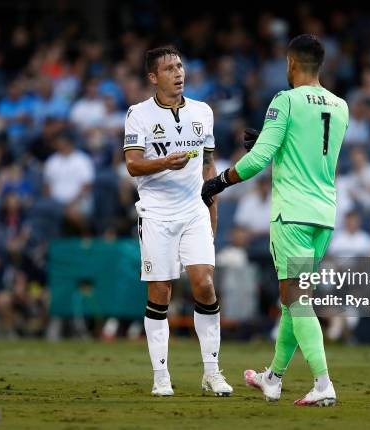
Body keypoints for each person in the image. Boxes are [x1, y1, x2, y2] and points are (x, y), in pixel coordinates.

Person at [202, 34, 348, 406]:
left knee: (298, 300)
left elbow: (257, 161)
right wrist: (270, 139)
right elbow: (309, 152)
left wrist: (219, 181)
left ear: (291, 64)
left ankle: (322, 383)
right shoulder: (340, 105)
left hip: (292, 216)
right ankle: (273, 377)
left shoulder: (285, 100)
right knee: (291, 301)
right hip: (324, 215)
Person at [123, 46, 232, 397]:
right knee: (160, 293)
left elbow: (207, 167)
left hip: (193, 210)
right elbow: (133, 165)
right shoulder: (138, 114)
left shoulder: (203, 112)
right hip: (155, 213)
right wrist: (163, 163)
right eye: (170, 68)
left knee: (204, 284)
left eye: (181, 66)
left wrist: (212, 209)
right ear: (154, 77)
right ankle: (161, 376)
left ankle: (212, 373)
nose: (178, 72)